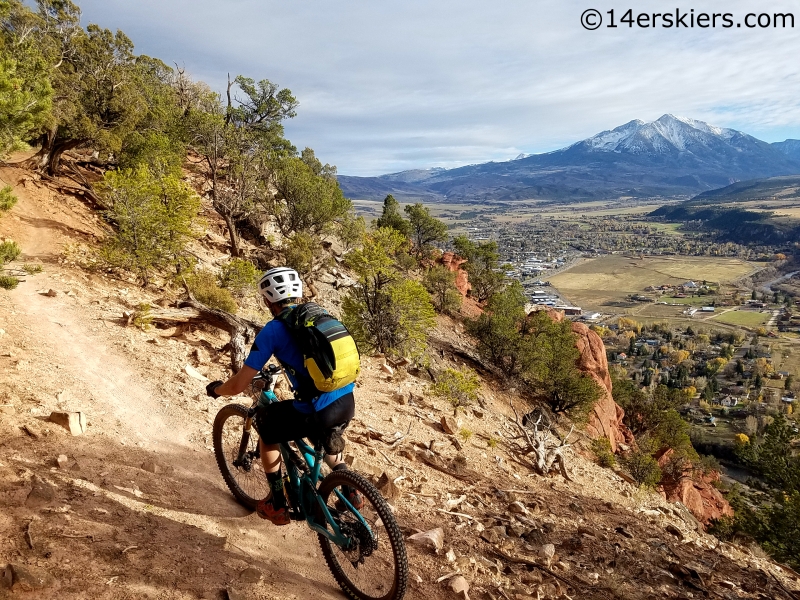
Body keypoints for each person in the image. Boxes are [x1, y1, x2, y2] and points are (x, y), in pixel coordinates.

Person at [205, 266, 361, 525]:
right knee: (322, 431)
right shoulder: (318, 315)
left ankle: (277, 504)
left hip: (316, 408)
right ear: (297, 292)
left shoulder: (273, 331)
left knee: (267, 430)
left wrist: (217, 390)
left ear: (268, 300)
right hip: (345, 398)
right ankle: (351, 487)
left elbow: (238, 385)